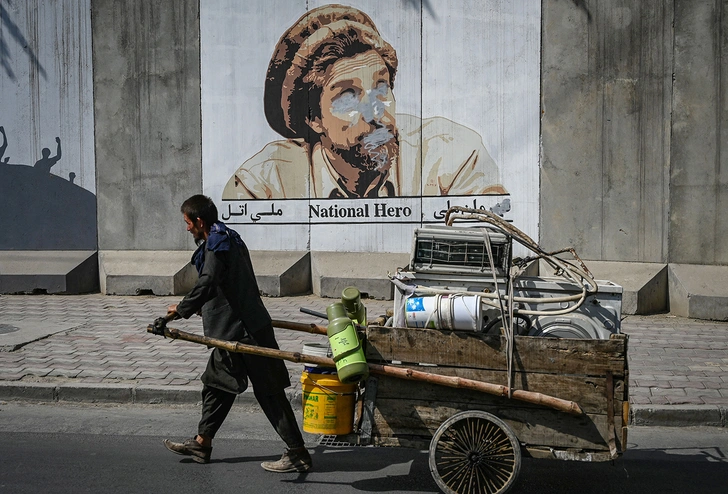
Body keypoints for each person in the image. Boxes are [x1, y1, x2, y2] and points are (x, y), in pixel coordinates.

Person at [222, 4, 507, 200]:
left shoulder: (452, 154)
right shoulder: (266, 183)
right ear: (313, 118)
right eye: (348, 96)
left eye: (381, 87)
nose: (375, 113)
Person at [159, 194, 312, 472]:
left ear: (199, 221)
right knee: (217, 385)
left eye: (188, 223)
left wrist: (180, 309)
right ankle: (202, 442)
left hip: (245, 331)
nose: (187, 229)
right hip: (233, 330)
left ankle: (297, 452)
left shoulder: (218, 244)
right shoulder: (228, 236)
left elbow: (208, 282)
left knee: (270, 393)